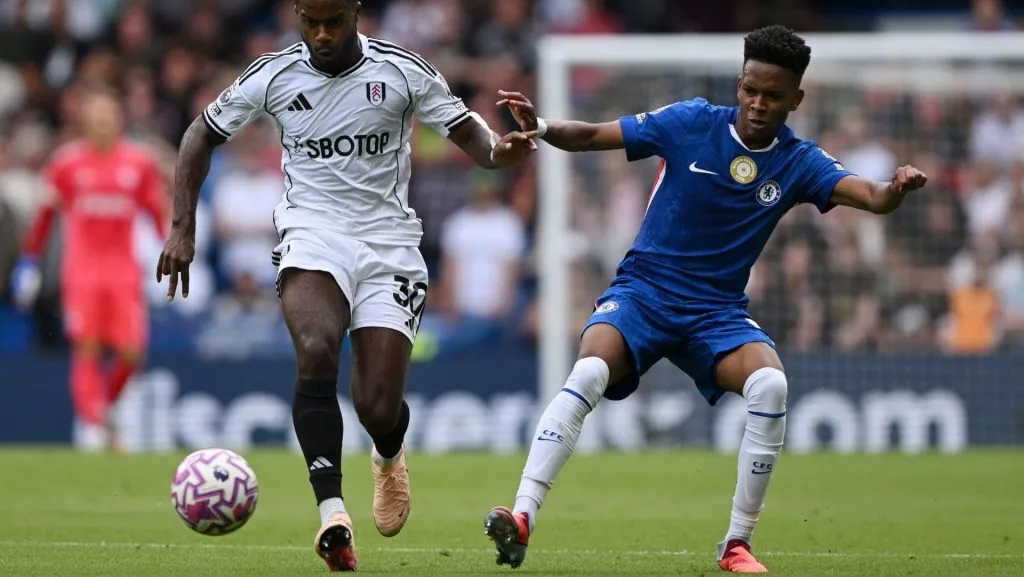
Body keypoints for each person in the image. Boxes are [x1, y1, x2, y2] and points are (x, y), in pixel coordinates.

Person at [483, 25, 928, 574]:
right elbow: (593, 134)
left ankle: (737, 544)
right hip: (642, 293)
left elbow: (873, 196)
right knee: (591, 369)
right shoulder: (692, 121)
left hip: (715, 314)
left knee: (771, 383)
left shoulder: (798, 162)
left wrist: (896, 188)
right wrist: (544, 125)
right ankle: (523, 516)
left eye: (773, 96)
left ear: (796, 99)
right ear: (739, 84)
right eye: (750, 90)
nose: (759, 104)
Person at [155, 0, 537, 571]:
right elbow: (198, 135)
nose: (323, 34)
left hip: (389, 243)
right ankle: (333, 514)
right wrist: (183, 226)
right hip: (313, 231)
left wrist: (498, 152)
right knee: (315, 350)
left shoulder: (402, 71)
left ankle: (388, 453)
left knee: (376, 406)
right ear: (298, 18)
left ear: (356, 14)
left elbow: (468, 133)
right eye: (311, 21)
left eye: (334, 21)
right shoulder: (273, 74)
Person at [10, 85, 167, 452]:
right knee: (88, 348)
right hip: (82, 270)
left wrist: (167, 257)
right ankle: (93, 427)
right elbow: (45, 216)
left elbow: (156, 214)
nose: (102, 123)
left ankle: (106, 406)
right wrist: (29, 263)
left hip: (123, 271)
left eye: (109, 116)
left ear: (118, 119)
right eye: (96, 117)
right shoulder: (66, 164)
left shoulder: (138, 163)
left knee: (131, 352)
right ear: (84, 121)